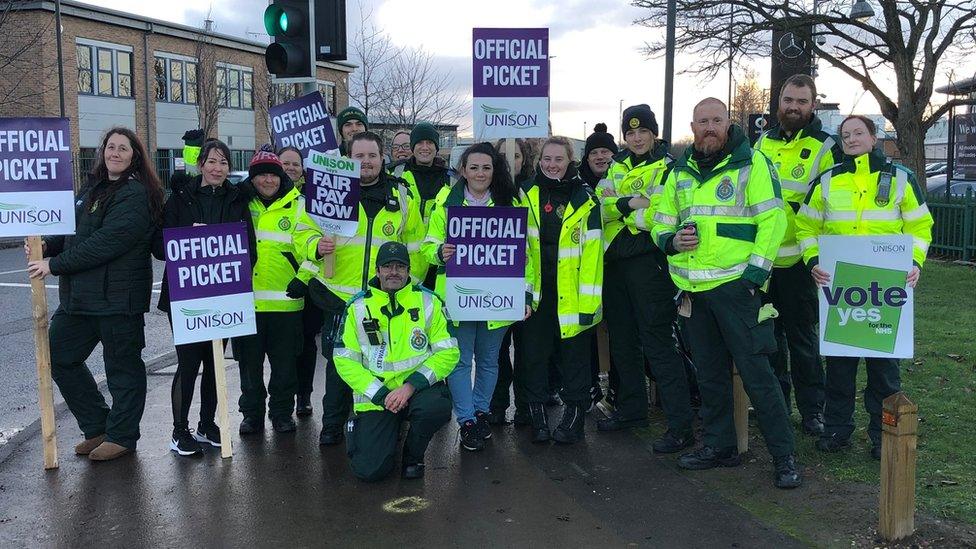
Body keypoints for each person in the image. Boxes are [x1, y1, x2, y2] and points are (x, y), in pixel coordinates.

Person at [650, 98, 801, 489]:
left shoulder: (752, 164)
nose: (710, 127)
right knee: (711, 376)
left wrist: (754, 276)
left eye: (717, 120)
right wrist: (670, 240)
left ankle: (784, 457)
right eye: (703, 122)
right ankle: (720, 447)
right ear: (693, 126)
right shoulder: (679, 171)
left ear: (728, 123)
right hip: (693, 292)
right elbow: (660, 220)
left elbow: (773, 219)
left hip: (737, 289)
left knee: (758, 375)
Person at [795, 114, 933, 460]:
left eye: (858, 133)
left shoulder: (902, 179)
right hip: (841, 287)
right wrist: (813, 261)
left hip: (885, 288)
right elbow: (805, 227)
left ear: (874, 138)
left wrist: (914, 263)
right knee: (840, 367)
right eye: (846, 135)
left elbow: (920, 227)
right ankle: (837, 430)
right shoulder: (826, 181)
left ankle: (881, 434)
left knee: (884, 372)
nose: (852, 139)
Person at [26, 127, 164, 461]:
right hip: (80, 300)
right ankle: (97, 425)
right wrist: (46, 244)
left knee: (123, 370)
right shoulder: (91, 186)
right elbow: (71, 230)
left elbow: (105, 243)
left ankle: (122, 436)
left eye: (123, 149)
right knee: (58, 356)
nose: (115, 153)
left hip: (118, 300)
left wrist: (54, 264)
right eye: (111, 147)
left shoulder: (135, 194)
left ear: (135, 157)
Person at [303, 131, 426, 446]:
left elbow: (415, 248)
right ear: (349, 159)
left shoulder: (401, 195)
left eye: (372, 155)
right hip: (338, 297)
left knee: (381, 362)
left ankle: (378, 421)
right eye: (360, 156)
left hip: (382, 300)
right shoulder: (328, 189)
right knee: (339, 364)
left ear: (382, 158)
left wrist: (411, 289)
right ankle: (332, 424)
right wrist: (316, 245)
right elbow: (303, 229)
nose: (367, 162)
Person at [422, 142, 539, 451]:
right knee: (459, 362)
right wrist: (439, 251)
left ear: (494, 170)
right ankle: (467, 420)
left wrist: (526, 296)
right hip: (457, 297)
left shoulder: (509, 204)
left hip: (498, 296)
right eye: (473, 167)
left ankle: (482, 411)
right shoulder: (446, 201)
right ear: (463, 170)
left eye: (486, 167)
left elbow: (527, 257)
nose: (480, 173)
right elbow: (427, 245)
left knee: (488, 361)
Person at [596, 104, 696, 454]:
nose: (636, 138)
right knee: (622, 341)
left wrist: (626, 211)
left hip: (650, 263)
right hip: (617, 264)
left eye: (643, 131)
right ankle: (632, 410)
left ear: (654, 133)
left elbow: (662, 213)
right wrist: (630, 204)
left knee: (658, 344)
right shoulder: (616, 165)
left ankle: (681, 425)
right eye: (630, 132)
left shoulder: (669, 167)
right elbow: (601, 206)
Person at [152, 138, 256, 456]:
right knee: (188, 362)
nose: (218, 167)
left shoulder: (237, 200)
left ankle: (206, 423)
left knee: (214, 363)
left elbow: (249, 250)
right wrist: (189, 239)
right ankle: (179, 430)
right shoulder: (180, 198)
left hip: (223, 295)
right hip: (185, 296)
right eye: (212, 161)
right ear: (201, 165)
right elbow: (158, 246)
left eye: (223, 162)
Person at [754, 74, 842, 436]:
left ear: (813, 105)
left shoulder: (826, 145)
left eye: (802, 102)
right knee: (769, 342)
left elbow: (832, 203)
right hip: (765, 261)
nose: (793, 107)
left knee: (803, 342)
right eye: (788, 100)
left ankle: (812, 411)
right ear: (779, 102)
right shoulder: (761, 142)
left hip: (802, 263)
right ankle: (776, 408)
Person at [334, 241, 460, 481]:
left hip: (416, 390)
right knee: (369, 472)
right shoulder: (357, 307)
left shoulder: (429, 302)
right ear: (377, 270)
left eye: (400, 266)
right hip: (378, 395)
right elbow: (344, 360)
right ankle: (372, 429)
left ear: (408, 270)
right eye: (387, 266)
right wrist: (381, 394)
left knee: (436, 408)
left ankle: (413, 456)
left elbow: (449, 352)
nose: (394, 272)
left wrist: (410, 386)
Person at [518, 136, 603, 444]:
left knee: (575, 359)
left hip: (574, 294)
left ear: (570, 161)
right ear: (539, 160)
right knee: (534, 356)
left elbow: (593, 255)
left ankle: (575, 418)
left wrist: (589, 304)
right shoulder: (524, 193)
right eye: (546, 159)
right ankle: (538, 417)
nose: (552, 165)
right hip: (536, 292)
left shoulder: (586, 198)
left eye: (558, 159)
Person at [234, 149, 322, 435]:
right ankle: (252, 414)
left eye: (273, 174)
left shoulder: (299, 206)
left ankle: (282, 412)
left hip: (286, 303)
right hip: (246, 303)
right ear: (253, 178)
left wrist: (304, 278)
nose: (268, 180)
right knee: (249, 368)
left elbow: (313, 247)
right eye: (261, 175)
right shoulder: (239, 203)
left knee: (285, 368)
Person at [277, 146, 324, 417]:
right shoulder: (260, 196)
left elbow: (319, 243)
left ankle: (303, 397)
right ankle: (280, 400)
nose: (291, 168)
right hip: (272, 290)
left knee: (306, 345)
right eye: (286, 163)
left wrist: (304, 277)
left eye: (296, 164)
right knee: (282, 350)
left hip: (307, 284)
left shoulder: (314, 197)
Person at [578, 123, 618, 411]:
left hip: (617, 266)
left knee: (618, 332)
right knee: (588, 331)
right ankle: (590, 383)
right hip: (585, 271)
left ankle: (617, 385)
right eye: (595, 152)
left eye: (606, 151)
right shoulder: (577, 183)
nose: (601, 156)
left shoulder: (623, 178)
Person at [390, 122, 453, 289]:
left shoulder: (450, 179)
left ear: (436, 147)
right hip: (405, 257)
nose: (425, 147)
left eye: (430, 143)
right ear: (412, 147)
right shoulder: (395, 173)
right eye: (419, 143)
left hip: (439, 257)